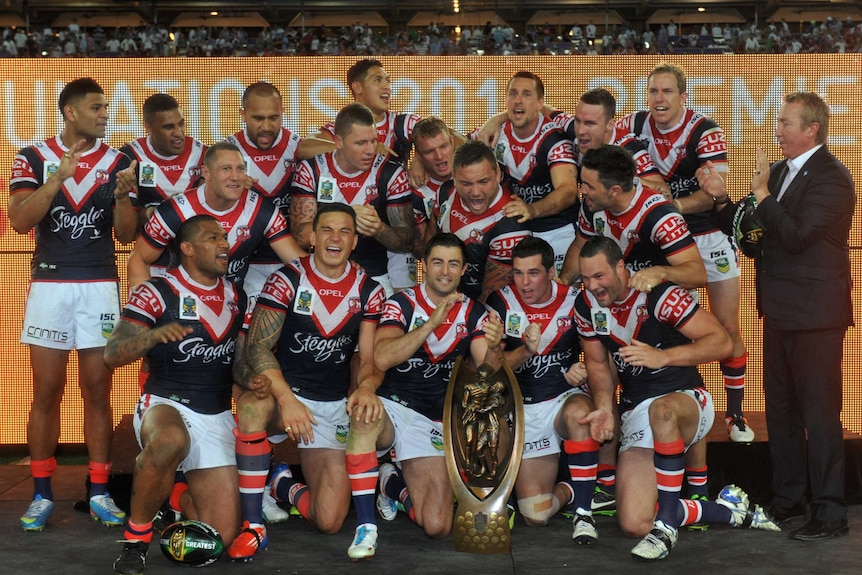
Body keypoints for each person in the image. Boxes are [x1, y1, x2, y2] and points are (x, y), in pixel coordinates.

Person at [699, 92, 855, 540]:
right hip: (780, 312)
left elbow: (798, 234)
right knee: (783, 413)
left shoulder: (832, 178)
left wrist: (762, 193)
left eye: (786, 123)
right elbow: (757, 240)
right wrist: (726, 201)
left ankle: (829, 511)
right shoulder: (782, 173)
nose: (777, 130)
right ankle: (789, 500)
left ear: (812, 129)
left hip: (816, 316)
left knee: (821, 414)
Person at [574, 236, 778, 561]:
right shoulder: (586, 305)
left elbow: (722, 343)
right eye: (585, 278)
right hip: (638, 412)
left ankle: (667, 526)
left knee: (662, 409)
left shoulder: (660, 294)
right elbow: (598, 364)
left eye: (599, 276)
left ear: (621, 267)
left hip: (685, 400)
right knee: (634, 522)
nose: (593, 286)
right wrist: (602, 406)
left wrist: (663, 357)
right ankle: (728, 511)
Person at [9, 77, 136, 532]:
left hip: (100, 285)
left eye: (106, 107)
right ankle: (41, 494)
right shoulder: (33, 157)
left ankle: (99, 491)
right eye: (97, 107)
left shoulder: (121, 161)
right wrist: (57, 179)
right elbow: (20, 221)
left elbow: (125, 234)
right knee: (46, 391)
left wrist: (123, 195)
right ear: (70, 113)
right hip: (50, 286)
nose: (105, 114)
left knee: (97, 392)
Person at [228, 203, 386, 560]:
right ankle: (253, 526)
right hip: (285, 397)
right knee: (252, 405)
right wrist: (287, 399)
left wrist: (364, 386)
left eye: (344, 231)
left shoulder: (370, 289)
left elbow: (368, 358)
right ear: (312, 237)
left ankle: (281, 483)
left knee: (329, 520)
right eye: (327, 230)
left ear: (355, 241)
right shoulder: (287, 278)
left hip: (329, 407)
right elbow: (258, 348)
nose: (335, 238)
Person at [343, 233, 504, 560]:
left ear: (463, 270)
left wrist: (496, 346)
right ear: (424, 266)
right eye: (437, 262)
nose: (445, 271)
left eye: (453, 264)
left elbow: (486, 375)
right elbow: (383, 356)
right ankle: (366, 527)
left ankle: (390, 484)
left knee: (437, 526)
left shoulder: (474, 313)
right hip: (393, 408)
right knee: (362, 413)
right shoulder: (400, 303)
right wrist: (431, 323)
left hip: (433, 419)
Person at [617, 63, 752, 443]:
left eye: (667, 92)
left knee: (726, 327)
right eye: (653, 92)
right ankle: (692, 399)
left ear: (683, 96)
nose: (659, 99)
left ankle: (736, 414)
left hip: (707, 237)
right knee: (678, 328)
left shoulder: (705, 131)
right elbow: (586, 120)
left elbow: (711, 193)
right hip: (663, 241)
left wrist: (667, 203)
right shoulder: (633, 124)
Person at [105, 215, 247, 574]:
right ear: (186, 248)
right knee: (168, 441)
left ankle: (171, 496)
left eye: (225, 237)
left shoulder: (237, 295)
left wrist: (256, 383)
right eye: (212, 237)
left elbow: (240, 362)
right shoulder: (155, 291)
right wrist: (152, 336)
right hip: (166, 405)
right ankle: (136, 542)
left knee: (218, 537)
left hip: (215, 415)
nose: (224, 243)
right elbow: (112, 354)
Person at [485, 237, 599, 544]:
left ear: (551, 273)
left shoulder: (577, 299)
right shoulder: (501, 302)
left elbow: (604, 354)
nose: (524, 282)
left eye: (533, 273)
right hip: (523, 410)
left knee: (582, 414)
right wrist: (525, 351)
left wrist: (586, 368)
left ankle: (584, 514)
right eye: (518, 273)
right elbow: (490, 368)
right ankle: (577, 487)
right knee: (535, 515)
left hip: (563, 400)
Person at [127, 141, 305, 291]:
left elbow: (297, 261)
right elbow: (138, 259)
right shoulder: (175, 211)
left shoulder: (263, 210)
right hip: (182, 306)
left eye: (240, 169)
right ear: (206, 172)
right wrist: (145, 313)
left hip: (232, 306)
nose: (235, 177)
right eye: (226, 169)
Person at [289, 102, 414, 296]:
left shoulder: (391, 174)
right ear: (338, 142)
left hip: (375, 276)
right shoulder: (312, 170)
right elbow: (300, 236)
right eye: (360, 143)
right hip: (322, 273)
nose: (371, 150)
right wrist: (346, 219)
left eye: (374, 141)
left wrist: (380, 229)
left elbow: (407, 242)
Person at [471, 71, 579, 270]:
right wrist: (418, 160)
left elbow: (568, 191)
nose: (518, 100)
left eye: (526, 94)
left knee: (558, 293)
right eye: (512, 94)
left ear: (540, 103)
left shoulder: (555, 139)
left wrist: (532, 209)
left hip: (559, 231)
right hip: (518, 231)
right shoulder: (495, 131)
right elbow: (455, 146)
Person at [224, 81, 321, 301]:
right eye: (258, 118)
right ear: (243, 114)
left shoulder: (300, 146)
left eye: (273, 118)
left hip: (292, 258)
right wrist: (227, 189)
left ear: (282, 112)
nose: (266, 126)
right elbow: (203, 200)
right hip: (246, 266)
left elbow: (342, 147)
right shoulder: (228, 152)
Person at [426, 140, 530, 303]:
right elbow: (431, 243)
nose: (475, 192)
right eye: (466, 183)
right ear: (454, 178)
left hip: (474, 312)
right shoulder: (445, 192)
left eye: (483, 182)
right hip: (442, 297)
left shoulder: (511, 225)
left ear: (497, 175)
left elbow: (492, 299)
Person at [120, 92, 206, 274]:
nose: (178, 133)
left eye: (181, 124)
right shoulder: (130, 157)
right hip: (150, 265)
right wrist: (158, 212)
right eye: (169, 127)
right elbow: (124, 232)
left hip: (198, 269)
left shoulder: (204, 156)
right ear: (148, 128)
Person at [550, 88, 669, 195]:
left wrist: (620, 178)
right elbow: (546, 109)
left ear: (610, 124)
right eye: (578, 121)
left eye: (590, 123)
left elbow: (665, 192)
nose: (581, 131)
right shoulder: (572, 128)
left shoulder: (630, 151)